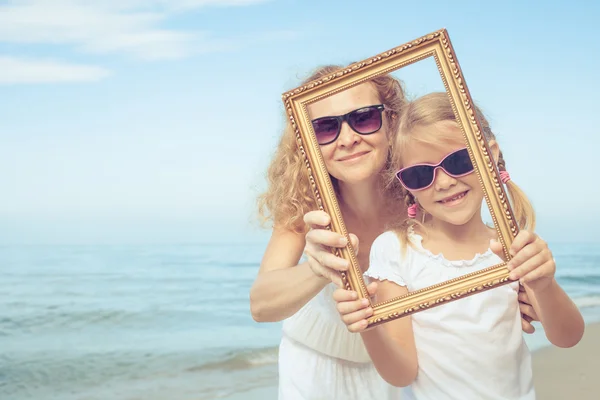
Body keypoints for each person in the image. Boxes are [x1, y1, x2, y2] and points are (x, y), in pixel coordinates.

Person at [251, 65, 539, 399]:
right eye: (325, 128)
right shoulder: (306, 204)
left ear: (392, 121)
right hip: (316, 364)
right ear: (306, 143)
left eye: (364, 119)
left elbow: (463, 268)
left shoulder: (425, 193)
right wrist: (319, 268)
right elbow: (261, 305)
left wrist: (510, 295)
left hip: (402, 368)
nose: (347, 139)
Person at [332, 92, 585, 399]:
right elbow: (401, 374)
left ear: (490, 155)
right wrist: (369, 327)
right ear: (405, 184)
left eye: (458, 161)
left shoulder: (512, 246)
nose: (443, 182)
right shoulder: (394, 251)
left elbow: (568, 337)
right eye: (420, 173)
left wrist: (543, 285)